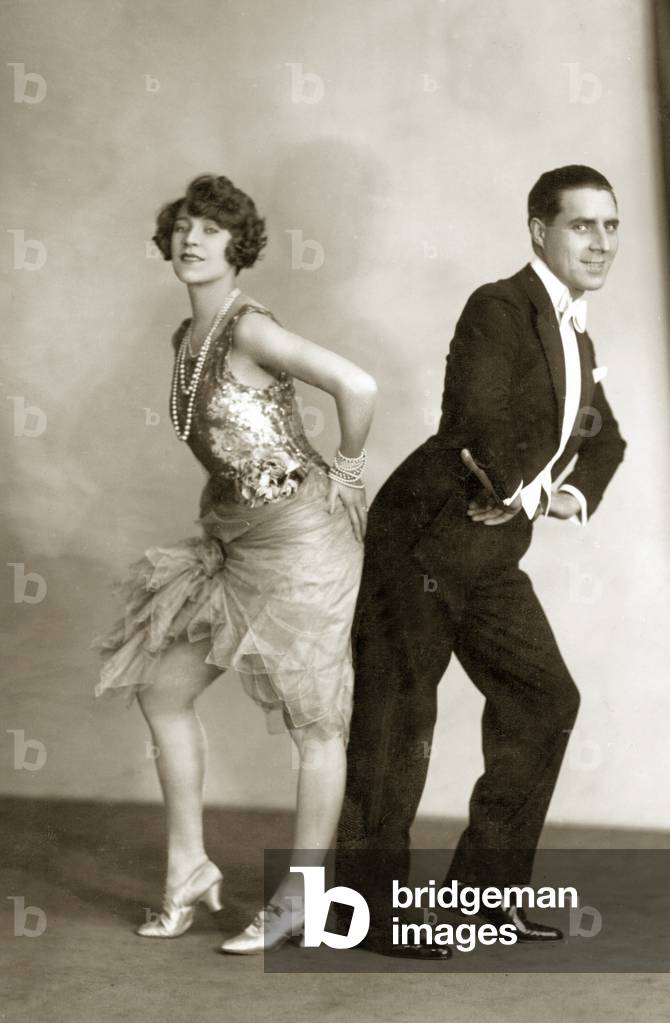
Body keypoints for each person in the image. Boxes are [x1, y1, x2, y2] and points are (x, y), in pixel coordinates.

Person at [335, 165, 626, 960]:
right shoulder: (498, 307)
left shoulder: (577, 333)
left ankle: (482, 899)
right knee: (399, 717)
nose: (601, 241)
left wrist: (559, 495)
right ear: (540, 231)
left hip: (490, 551)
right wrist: (523, 491)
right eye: (582, 225)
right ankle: (362, 913)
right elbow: (475, 422)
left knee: (544, 699)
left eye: (611, 226)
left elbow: (605, 439)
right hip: (422, 539)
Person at [94, 174, 376, 954]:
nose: (192, 239)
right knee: (161, 688)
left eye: (212, 230)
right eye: (183, 226)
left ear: (238, 246)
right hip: (235, 542)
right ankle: (187, 868)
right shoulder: (186, 337)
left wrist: (350, 469)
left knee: (315, 724)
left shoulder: (250, 327)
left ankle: (303, 896)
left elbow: (357, 384)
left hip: (304, 541)